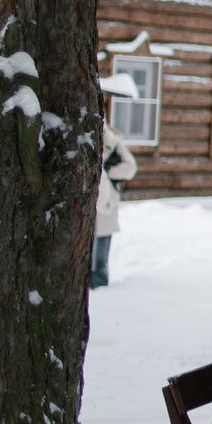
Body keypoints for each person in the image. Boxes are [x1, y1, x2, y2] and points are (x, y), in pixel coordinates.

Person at [91, 77, 138, 288]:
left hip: (106, 203)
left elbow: (130, 166)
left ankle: (99, 282)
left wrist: (109, 171)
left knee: (101, 248)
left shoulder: (113, 142)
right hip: (89, 203)